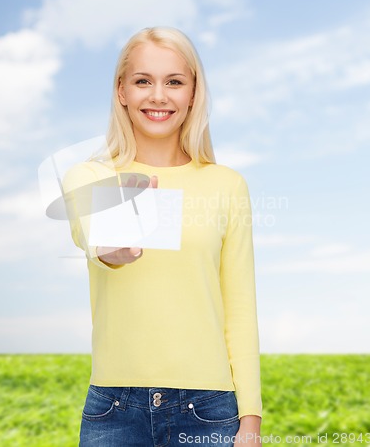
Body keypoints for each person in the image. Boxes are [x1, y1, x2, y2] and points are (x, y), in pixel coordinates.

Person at [63, 27, 262, 446]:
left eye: (174, 81)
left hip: (210, 410)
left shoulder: (226, 185)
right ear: (121, 91)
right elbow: (91, 238)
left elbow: (240, 308)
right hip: (114, 410)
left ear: (193, 93)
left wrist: (250, 420)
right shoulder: (92, 176)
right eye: (142, 81)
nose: (158, 96)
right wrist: (112, 250)